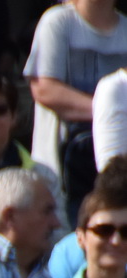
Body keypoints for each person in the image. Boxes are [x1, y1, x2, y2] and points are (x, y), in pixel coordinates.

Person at [24, 0, 127, 210]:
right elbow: (45, 88)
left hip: (115, 168)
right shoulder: (58, 22)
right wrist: (109, 113)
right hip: (60, 168)